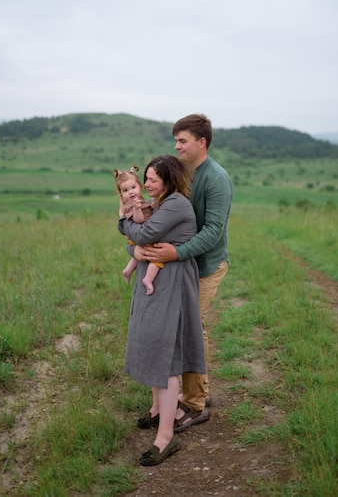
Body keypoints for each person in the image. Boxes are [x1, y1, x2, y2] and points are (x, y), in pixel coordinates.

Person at [136, 114, 233, 432]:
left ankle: (194, 403)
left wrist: (176, 252)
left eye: (182, 141)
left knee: (190, 327)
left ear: (201, 142)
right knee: (184, 327)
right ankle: (193, 392)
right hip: (181, 266)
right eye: (175, 140)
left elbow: (214, 232)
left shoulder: (215, 178)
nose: (176, 146)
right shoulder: (183, 173)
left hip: (205, 266)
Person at [118, 154, 206, 465]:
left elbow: (141, 234)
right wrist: (135, 248)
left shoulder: (176, 204)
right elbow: (137, 243)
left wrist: (124, 222)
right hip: (154, 280)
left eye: (153, 179)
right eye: (147, 178)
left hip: (171, 283)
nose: (146, 184)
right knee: (153, 346)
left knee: (165, 353)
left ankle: (166, 438)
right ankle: (161, 411)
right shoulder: (160, 203)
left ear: (168, 180)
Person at [113, 165, 163, 295]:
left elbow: (146, 211)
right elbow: (139, 220)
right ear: (121, 195)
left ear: (140, 187)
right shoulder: (130, 205)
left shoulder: (139, 200)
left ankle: (128, 270)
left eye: (133, 188)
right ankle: (148, 279)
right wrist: (136, 208)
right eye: (125, 190)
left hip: (137, 236)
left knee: (140, 254)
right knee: (156, 256)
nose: (130, 192)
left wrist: (150, 206)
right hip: (140, 235)